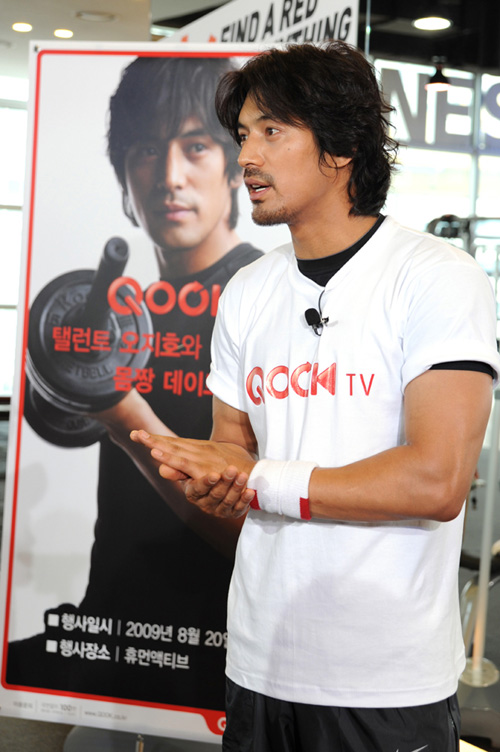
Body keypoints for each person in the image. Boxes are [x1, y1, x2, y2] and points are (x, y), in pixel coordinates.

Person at [132, 42, 500, 751]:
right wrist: (213, 480)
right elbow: (235, 453)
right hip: (259, 660)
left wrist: (257, 479)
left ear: (341, 146)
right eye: (243, 134)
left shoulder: (436, 277)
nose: (246, 156)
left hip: (385, 680)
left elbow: (436, 480)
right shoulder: (247, 291)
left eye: (272, 131)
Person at [7, 55, 261, 711]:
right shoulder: (130, 310)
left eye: (196, 146)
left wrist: (123, 413)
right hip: (112, 629)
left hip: (219, 644)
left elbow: (250, 526)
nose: (170, 176)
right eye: (147, 150)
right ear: (124, 172)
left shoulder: (265, 302)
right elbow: (59, 418)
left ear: (234, 166)